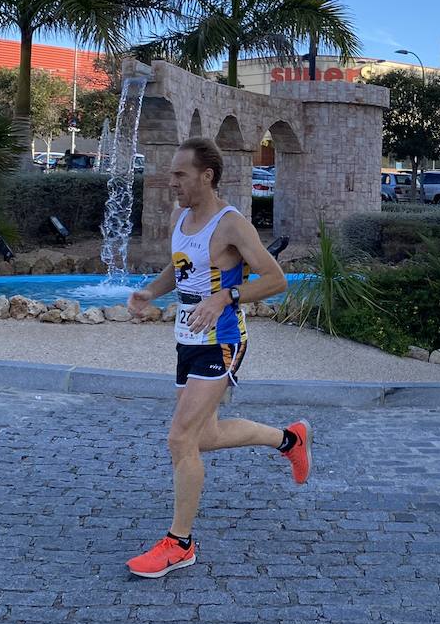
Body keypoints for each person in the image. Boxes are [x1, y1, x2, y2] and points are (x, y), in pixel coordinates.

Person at [123, 137, 310, 578]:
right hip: (187, 337)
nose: (172, 183)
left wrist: (226, 296)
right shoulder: (181, 216)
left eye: (180, 175)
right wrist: (151, 290)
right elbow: (179, 266)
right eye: (171, 174)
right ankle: (290, 439)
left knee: (179, 439)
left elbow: (276, 279)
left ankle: (179, 543)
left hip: (222, 339)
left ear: (207, 176)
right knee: (203, 436)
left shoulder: (231, 224)